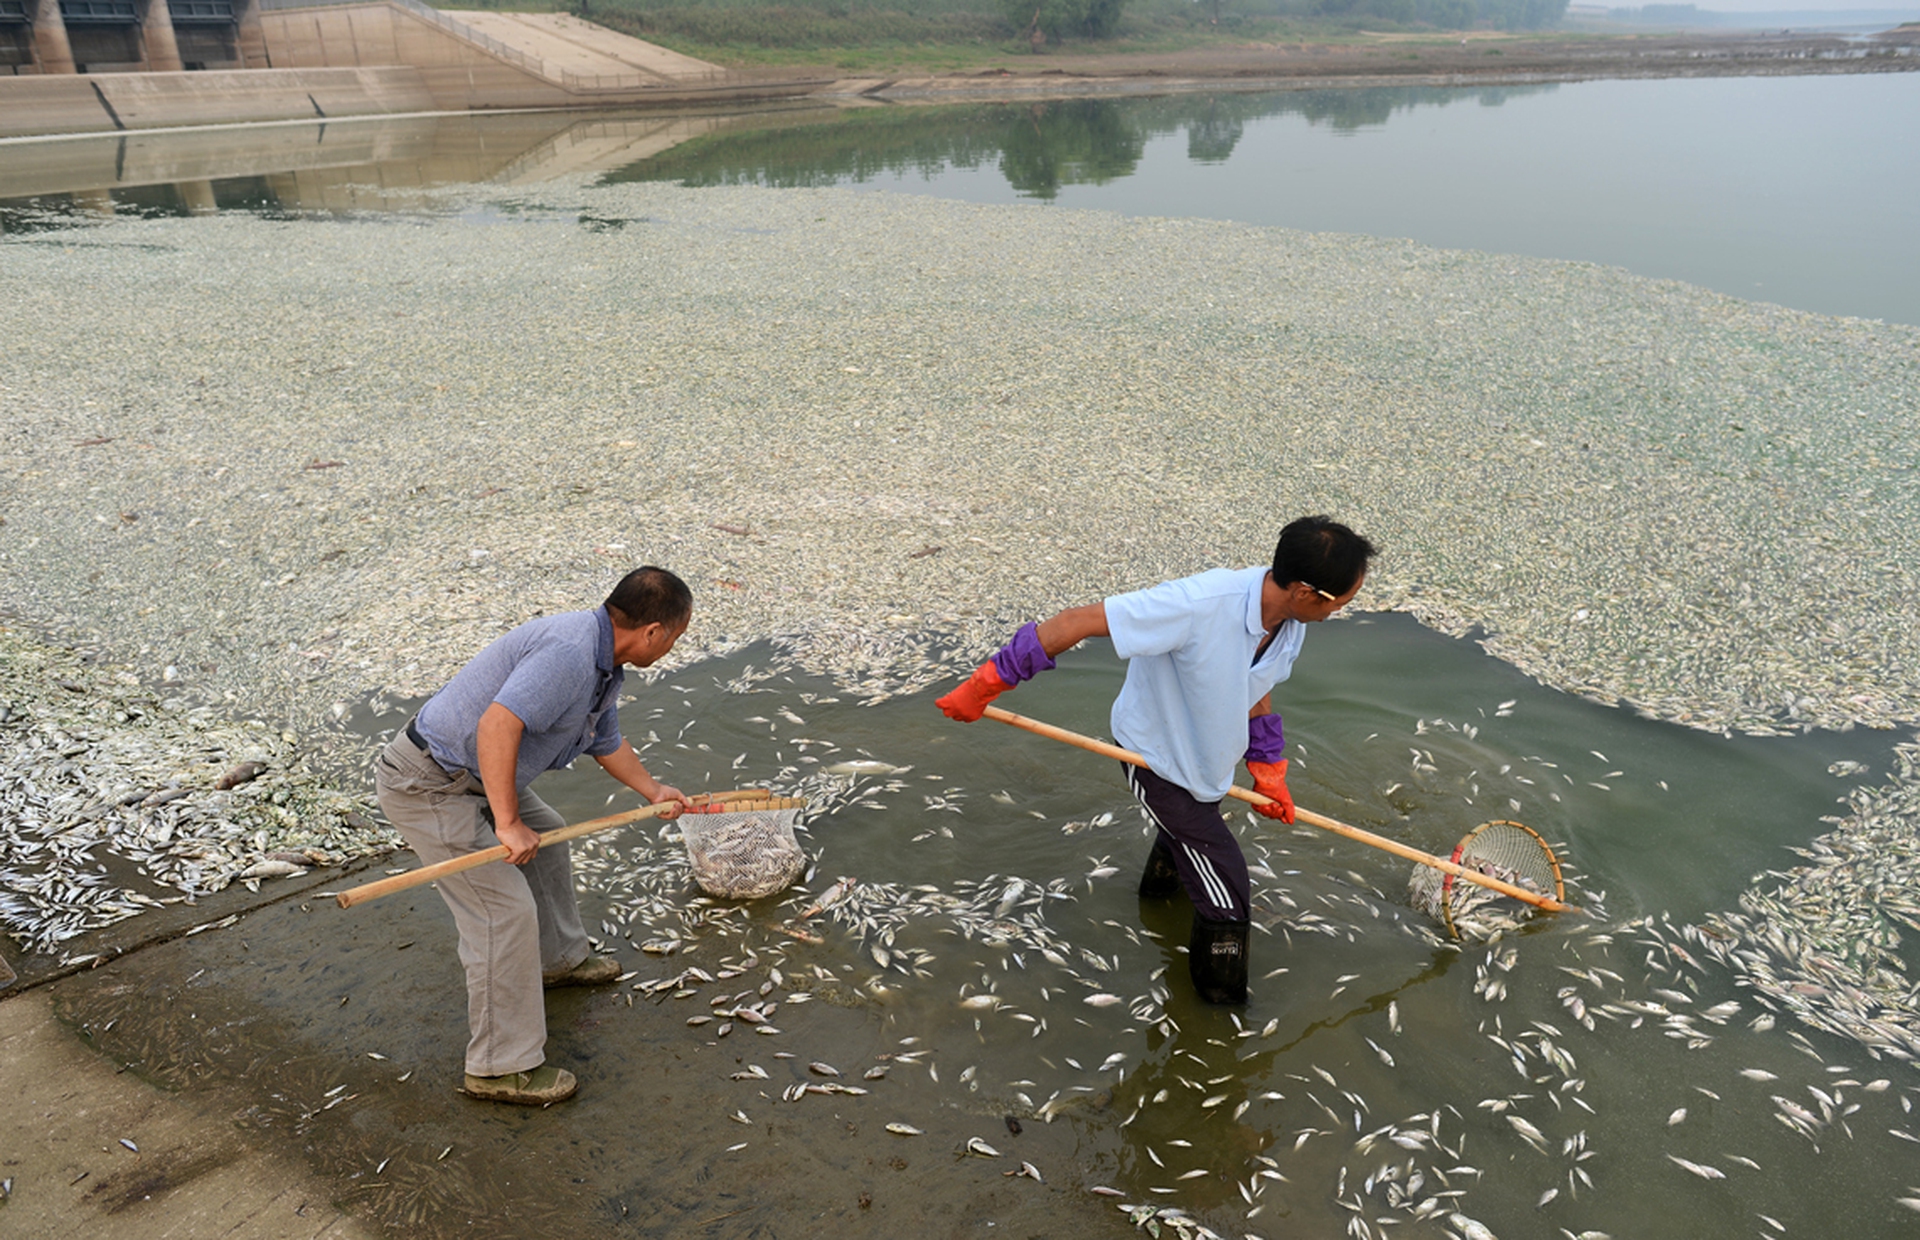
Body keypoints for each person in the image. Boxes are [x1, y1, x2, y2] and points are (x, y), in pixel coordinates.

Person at [936, 516, 1375, 1005]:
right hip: (1153, 756)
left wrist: (1268, 769)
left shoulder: (1288, 623)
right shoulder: (1197, 604)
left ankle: (1156, 900)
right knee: (1227, 896)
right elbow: (1074, 622)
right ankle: (1219, 1018)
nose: (1341, 610)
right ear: (1305, 592)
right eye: (1342, 601)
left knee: (1185, 837)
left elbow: (1255, 688)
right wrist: (987, 683)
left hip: (1205, 761)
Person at [373, 566, 694, 1104]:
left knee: (548, 838)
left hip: (478, 775)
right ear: (654, 631)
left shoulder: (603, 663)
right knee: (501, 912)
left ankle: (557, 961)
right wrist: (505, 822)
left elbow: (605, 739)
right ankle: (498, 1067)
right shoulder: (569, 653)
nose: (671, 649)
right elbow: (498, 725)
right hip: (432, 783)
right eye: (677, 638)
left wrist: (653, 790)